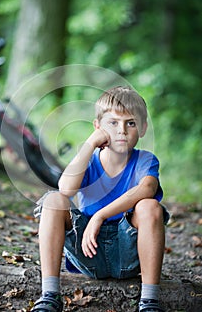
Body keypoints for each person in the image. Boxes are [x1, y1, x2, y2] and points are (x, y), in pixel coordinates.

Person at [31, 86, 169, 312]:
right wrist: (89, 144)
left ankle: (150, 300)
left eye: (130, 123)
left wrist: (100, 216)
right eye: (113, 123)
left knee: (149, 206)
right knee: (53, 201)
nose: (122, 130)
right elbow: (64, 188)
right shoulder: (90, 161)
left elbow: (147, 188)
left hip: (128, 253)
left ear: (143, 128)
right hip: (88, 252)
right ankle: (49, 295)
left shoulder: (145, 160)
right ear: (98, 127)